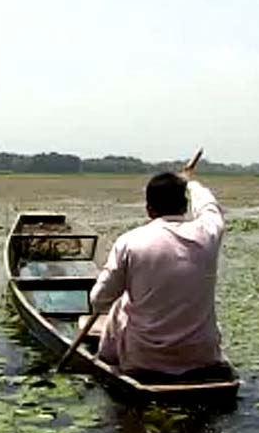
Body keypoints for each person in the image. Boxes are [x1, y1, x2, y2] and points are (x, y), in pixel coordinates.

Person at [88, 161, 225, 376]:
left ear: (149, 209)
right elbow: (209, 205)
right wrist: (190, 182)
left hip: (145, 359)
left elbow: (99, 300)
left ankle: (107, 359)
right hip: (202, 356)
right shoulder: (208, 233)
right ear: (184, 206)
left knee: (120, 305)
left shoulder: (130, 241)